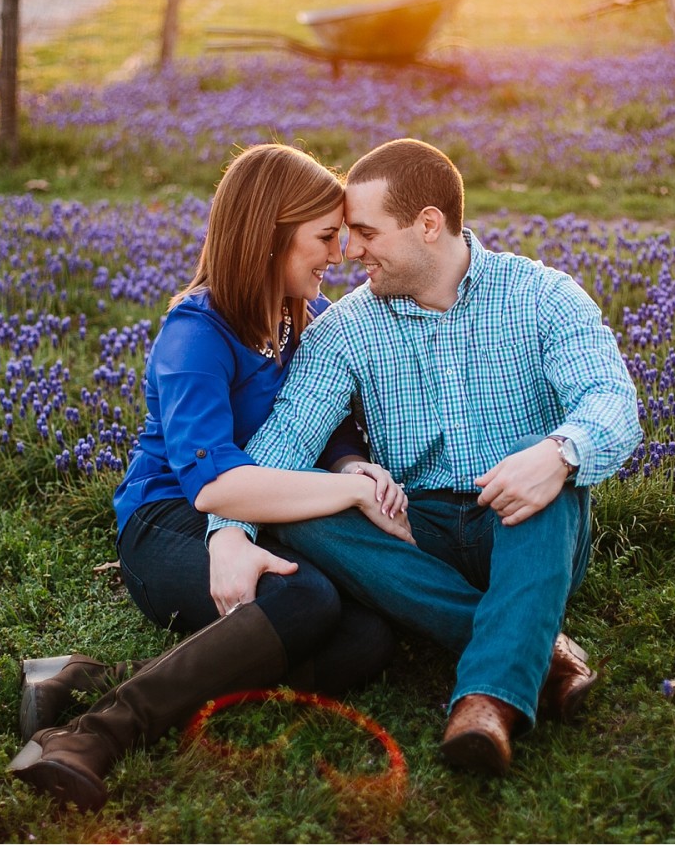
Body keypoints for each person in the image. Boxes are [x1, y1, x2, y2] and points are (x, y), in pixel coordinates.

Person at [204, 137, 642, 777]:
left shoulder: (542, 295)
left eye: (364, 232)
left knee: (552, 472)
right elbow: (284, 445)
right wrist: (230, 532)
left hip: (523, 525)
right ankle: (535, 648)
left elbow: (611, 399)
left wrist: (558, 454)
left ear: (428, 225)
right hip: (415, 530)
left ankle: (487, 701)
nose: (349, 251)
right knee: (302, 510)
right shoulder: (345, 329)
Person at [7, 144, 411, 812]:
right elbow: (212, 484)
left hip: (264, 513)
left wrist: (346, 460)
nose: (337, 253)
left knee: (368, 637)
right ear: (270, 232)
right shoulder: (195, 332)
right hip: (168, 525)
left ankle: (84, 677)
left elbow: (319, 416)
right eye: (324, 237)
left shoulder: (294, 315)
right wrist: (346, 491)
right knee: (306, 598)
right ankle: (94, 732)